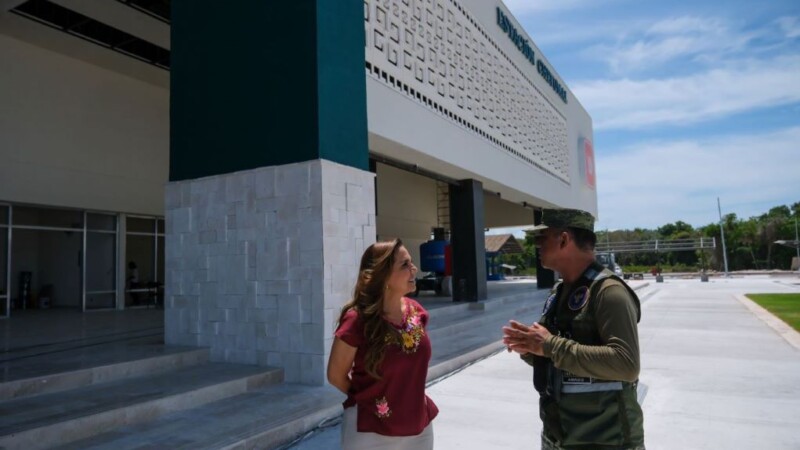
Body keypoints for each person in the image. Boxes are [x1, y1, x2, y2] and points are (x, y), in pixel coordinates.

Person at [502, 208, 645, 450]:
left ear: (564, 240)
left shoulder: (609, 292)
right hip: (560, 436)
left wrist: (549, 345)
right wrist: (531, 348)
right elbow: (561, 358)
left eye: (541, 238)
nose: (536, 245)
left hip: (607, 441)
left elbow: (626, 364)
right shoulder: (559, 293)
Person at [327, 239, 438, 449]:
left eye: (411, 262)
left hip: (419, 428)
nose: (414, 269)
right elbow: (335, 375)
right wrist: (370, 399)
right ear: (383, 276)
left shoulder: (417, 312)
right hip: (371, 430)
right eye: (405, 265)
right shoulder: (357, 320)